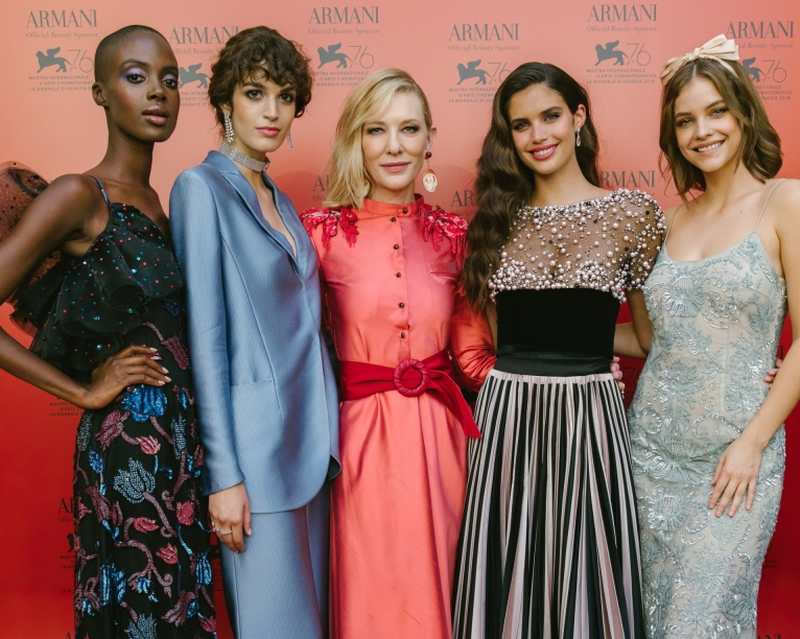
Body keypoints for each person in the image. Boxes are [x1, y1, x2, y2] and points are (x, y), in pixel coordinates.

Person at [0, 25, 216, 637]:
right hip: (127, 443)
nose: (158, 93)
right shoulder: (79, 195)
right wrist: (84, 393)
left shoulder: (161, 201)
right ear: (99, 93)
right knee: (139, 613)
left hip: (181, 439)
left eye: (171, 81)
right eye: (136, 76)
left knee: (179, 610)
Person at [453, 61, 666, 638]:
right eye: (521, 125)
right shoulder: (496, 222)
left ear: (578, 117)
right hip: (507, 418)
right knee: (510, 574)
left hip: (590, 419)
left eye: (550, 116)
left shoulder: (632, 213)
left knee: (588, 579)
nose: (538, 135)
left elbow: (646, 337)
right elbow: (502, 340)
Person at [300, 68, 495, 639]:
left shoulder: (456, 235)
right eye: (376, 129)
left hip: (442, 441)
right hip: (358, 443)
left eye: (408, 129)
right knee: (372, 595)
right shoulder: (318, 234)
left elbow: (474, 355)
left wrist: (565, 373)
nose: (394, 146)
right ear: (355, 139)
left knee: (448, 591)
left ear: (429, 138)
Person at [617, 34, 800, 638]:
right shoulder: (665, 223)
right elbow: (650, 342)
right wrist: (546, 342)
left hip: (733, 461)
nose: (704, 131)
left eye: (716, 111)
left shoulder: (785, 204)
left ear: (743, 112)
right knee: (651, 621)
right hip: (647, 457)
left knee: (700, 623)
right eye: (686, 120)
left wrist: (752, 442)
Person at [169, 26, 339, 639]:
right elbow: (205, 338)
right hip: (254, 463)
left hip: (313, 450)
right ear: (224, 103)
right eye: (255, 92)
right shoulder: (201, 189)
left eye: (285, 96)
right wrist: (225, 476)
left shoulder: (283, 200)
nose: (272, 111)